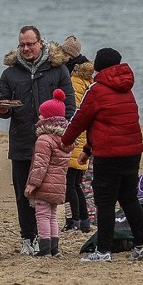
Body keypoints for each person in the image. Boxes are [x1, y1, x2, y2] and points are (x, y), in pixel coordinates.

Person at [62, 48, 143, 263]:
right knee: (129, 199)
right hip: (132, 152)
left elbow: (81, 118)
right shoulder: (127, 89)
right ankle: (142, 245)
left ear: (99, 67)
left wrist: (65, 141)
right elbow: (106, 125)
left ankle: (103, 250)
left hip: (109, 155)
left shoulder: (98, 90)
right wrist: (87, 150)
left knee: (105, 202)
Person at [0, 25, 75, 255]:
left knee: (48, 192)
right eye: (22, 45)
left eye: (31, 44)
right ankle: (27, 238)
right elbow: (3, 103)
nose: (26, 48)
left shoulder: (57, 69)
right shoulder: (10, 73)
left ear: (41, 43)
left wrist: (62, 132)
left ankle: (47, 239)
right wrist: (3, 109)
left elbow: (69, 104)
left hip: (51, 142)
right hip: (21, 140)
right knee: (24, 192)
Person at [24, 89, 70, 257]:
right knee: (52, 216)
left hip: (44, 184)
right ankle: (54, 248)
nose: (39, 118)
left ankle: (44, 248)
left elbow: (40, 165)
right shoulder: (64, 140)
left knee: (42, 215)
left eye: (41, 116)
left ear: (48, 120)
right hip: (58, 185)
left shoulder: (44, 140)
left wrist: (32, 184)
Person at [60, 35, 94, 233]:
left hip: (76, 136)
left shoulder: (72, 80)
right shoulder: (85, 78)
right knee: (76, 182)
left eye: (64, 53)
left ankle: (75, 221)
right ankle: (84, 221)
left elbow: (73, 110)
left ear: (70, 56)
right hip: (84, 136)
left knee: (69, 183)